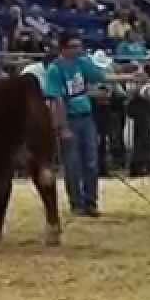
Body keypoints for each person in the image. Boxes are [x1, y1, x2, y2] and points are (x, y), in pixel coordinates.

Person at [44, 32, 107, 217]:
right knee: (72, 164)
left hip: (86, 117)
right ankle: (76, 203)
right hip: (70, 118)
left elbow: (99, 76)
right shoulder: (55, 69)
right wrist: (62, 127)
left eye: (79, 46)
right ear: (63, 48)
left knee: (91, 161)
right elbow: (57, 100)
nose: (78, 50)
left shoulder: (81, 63)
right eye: (73, 46)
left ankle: (91, 201)